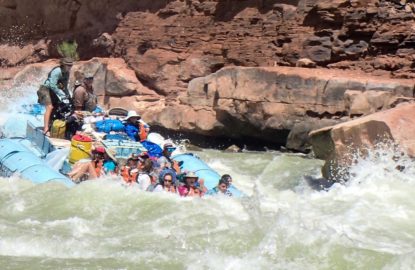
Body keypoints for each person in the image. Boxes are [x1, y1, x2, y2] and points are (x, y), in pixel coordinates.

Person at [37, 57, 73, 135]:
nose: (70, 67)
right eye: (68, 66)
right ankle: (46, 129)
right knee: (50, 107)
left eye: (71, 66)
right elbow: (52, 85)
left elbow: (65, 87)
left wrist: (69, 97)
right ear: (63, 65)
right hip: (45, 89)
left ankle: (51, 124)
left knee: (57, 106)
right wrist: (62, 94)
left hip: (52, 91)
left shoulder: (67, 73)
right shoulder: (57, 71)